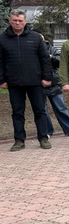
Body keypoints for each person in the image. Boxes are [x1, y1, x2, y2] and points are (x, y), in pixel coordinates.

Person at [0, 10, 53, 151]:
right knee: (17, 112)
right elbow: (0, 61)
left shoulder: (36, 37)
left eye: (20, 21)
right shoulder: (2, 39)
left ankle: (43, 138)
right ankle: (19, 140)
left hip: (35, 81)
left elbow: (45, 59)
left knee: (40, 111)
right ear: (10, 21)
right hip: (14, 82)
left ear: (25, 22)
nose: (17, 23)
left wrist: (47, 77)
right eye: (14, 20)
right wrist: (1, 80)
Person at [43, 39, 69, 138]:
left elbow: (59, 62)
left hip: (54, 82)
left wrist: (50, 56)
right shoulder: (32, 50)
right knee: (42, 110)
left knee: (60, 107)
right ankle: (47, 131)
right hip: (38, 83)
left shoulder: (52, 49)